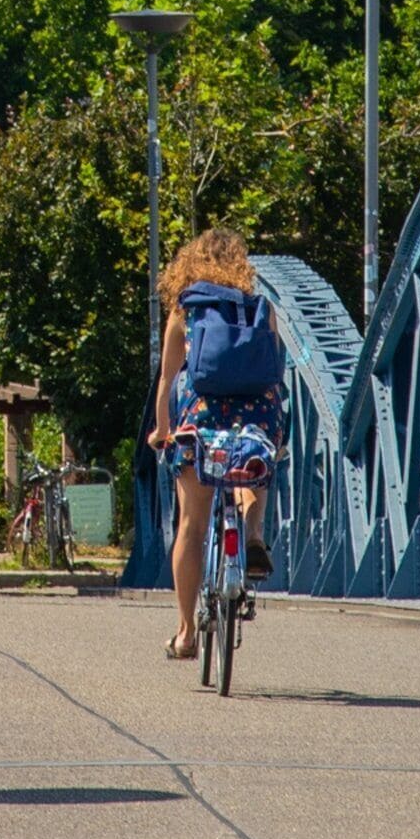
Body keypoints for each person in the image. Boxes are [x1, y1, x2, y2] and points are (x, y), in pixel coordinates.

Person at [148, 227, 284, 660]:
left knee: (192, 524)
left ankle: (186, 632)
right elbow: (274, 373)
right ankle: (252, 531)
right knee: (255, 455)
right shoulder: (261, 307)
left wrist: (161, 430)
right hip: (256, 414)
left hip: (200, 419)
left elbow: (169, 378)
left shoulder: (185, 309)